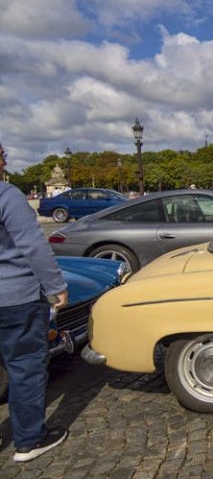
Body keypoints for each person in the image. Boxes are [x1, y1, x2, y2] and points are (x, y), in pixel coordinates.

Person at [0, 141, 69, 463]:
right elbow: (32, 246)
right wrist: (55, 286)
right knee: (24, 367)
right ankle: (29, 439)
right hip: (14, 296)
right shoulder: (6, 195)